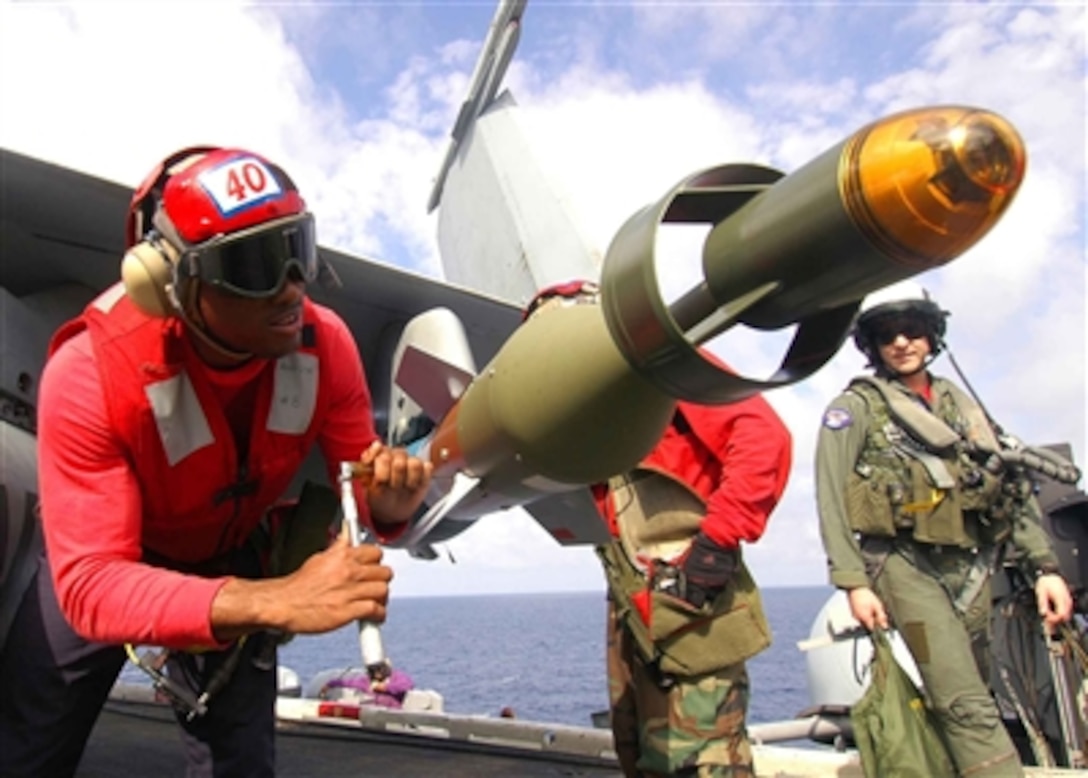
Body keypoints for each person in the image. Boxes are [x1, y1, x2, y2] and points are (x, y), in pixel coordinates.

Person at [0, 146, 432, 777]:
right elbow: (91, 582)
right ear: (172, 283)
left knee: (240, 768)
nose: (292, 286)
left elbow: (357, 489)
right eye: (255, 264)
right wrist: (275, 599)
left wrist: (390, 504)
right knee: (27, 752)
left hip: (228, 555)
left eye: (297, 249)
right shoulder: (89, 373)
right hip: (108, 560)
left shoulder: (325, 345)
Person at [522, 283, 794, 777]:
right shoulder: (581, 411)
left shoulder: (666, 369)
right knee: (644, 754)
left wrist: (717, 542)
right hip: (632, 603)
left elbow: (761, 437)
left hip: (691, 593)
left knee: (705, 762)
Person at [815, 281, 1073, 777]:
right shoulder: (857, 411)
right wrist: (852, 581)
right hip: (904, 568)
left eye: (912, 329)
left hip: (971, 568)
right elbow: (830, 496)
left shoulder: (963, 407)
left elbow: (1010, 486)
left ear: (932, 336)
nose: (901, 342)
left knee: (970, 689)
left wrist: (1044, 567)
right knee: (963, 702)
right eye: (887, 334)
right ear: (871, 346)